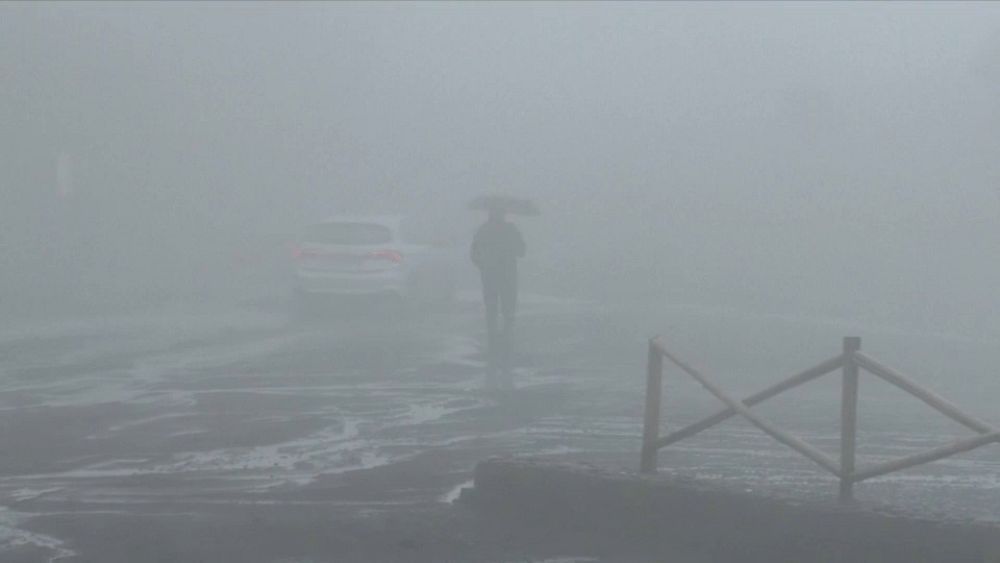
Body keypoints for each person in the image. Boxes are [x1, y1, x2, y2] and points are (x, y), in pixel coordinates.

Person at [470, 207, 526, 389]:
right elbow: (522, 251)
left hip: (489, 274)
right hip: (508, 273)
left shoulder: (483, 230)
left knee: (491, 306)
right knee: (508, 307)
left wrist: (483, 265)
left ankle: (492, 337)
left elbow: (474, 253)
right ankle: (506, 337)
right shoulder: (510, 230)